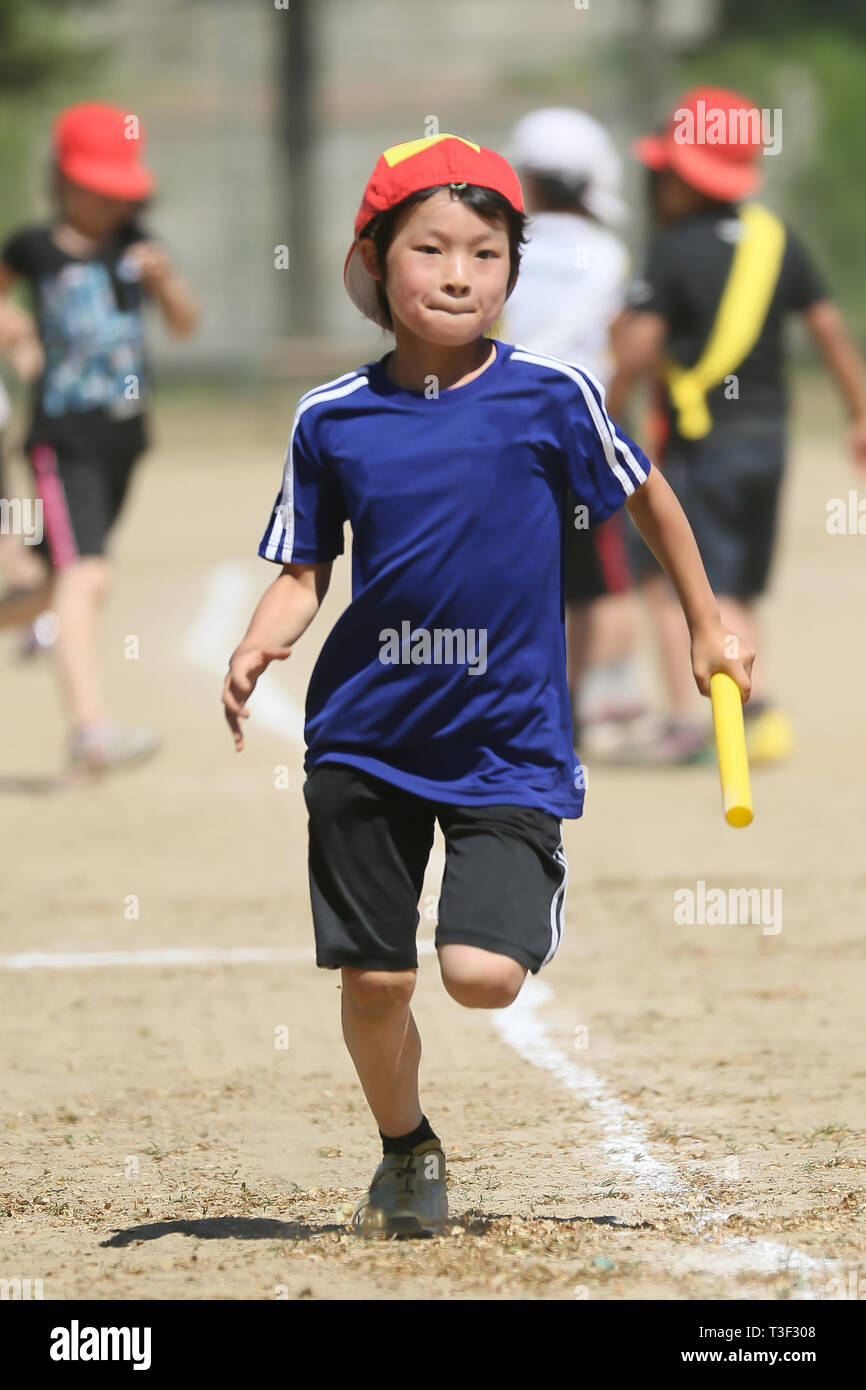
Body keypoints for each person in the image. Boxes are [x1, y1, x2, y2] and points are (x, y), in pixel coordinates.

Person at [222, 133, 753, 1237]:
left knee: (478, 975)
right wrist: (259, 641)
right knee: (377, 984)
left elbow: (645, 498)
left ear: (513, 266)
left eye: (486, 251)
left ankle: (523, 877)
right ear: (375, 263)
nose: (459, 273)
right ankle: (405, 1146)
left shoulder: (550, 395)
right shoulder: (330, 416)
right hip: (363, 736)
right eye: (430, 250)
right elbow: (302, 566)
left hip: (504, 739)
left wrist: (706, 622)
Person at [608, 86, 866, 764]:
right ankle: (760, 713)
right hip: (769, 442)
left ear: (686, 178)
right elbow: (831, 331)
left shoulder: (672, 250)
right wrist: (860, 412)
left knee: (674, 581)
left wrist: (606, 412)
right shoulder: (779, 240)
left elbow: (638, 346)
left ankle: (693, 726)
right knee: (735, 583)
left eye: (663, 171)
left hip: (702, 443)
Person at [0, 101, 197, 776]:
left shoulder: (137, 247)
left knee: (56, 586)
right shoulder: (31, 249)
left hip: (122, 441)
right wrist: (15, 329)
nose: (112, 206)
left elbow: (185, 326)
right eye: (98, 191)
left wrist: (166, 282)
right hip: (61, 440)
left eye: (122, 194)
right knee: (89, 574)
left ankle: (81, 713)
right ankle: (91, 733)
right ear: (62, 181)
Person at [504, 108, 648, 754]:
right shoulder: (611, 255)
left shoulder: (503, 243)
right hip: (582, 432)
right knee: (589, 580)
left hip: (503, 428)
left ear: (526, 178)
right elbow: (626, 344)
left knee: (505, 571)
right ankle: (571, 706)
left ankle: (505, 703)